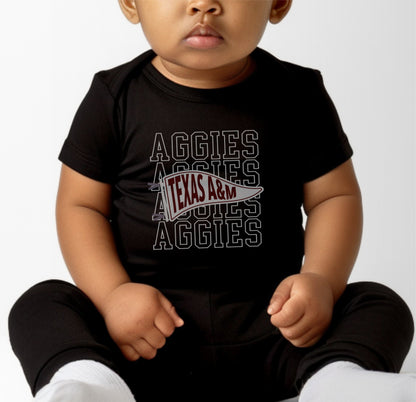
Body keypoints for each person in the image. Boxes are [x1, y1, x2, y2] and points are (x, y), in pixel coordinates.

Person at [9, 1, 415, 401]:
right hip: (144, 341)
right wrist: (113, 294)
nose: (204, 4)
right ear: (131, 4)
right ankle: (92, 385)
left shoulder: (298, 94)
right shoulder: (113, 97)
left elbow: (334, 196)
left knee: (379, 302)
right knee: (41, 303)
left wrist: (323, 281)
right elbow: (81, 206)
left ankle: (337, 381)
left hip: (276, 332)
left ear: (277, 4)